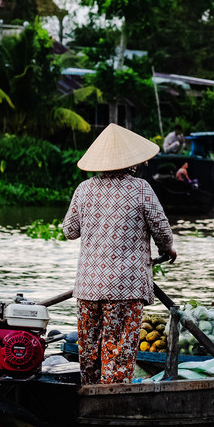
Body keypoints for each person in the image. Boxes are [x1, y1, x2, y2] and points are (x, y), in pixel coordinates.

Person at [62, 123, 177, 385]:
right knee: (119, 351)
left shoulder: (84, 189)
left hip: (88, 288)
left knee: (89, 352)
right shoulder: (140, 189)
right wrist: (166, 249)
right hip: (125, 288)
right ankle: (111, 398)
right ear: (131, 162)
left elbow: (69, 231)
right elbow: (162, 230)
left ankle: (89, 396)